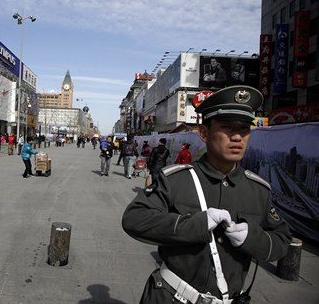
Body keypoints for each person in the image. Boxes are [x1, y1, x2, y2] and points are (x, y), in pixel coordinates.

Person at [122, 86, 291, 304]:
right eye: (227, 127)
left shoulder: (259, 190)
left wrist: (253, 238)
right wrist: (195, 225)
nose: (237, 136)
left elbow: (282, 240)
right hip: (171, 297)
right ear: (204, 133)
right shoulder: (175, 179)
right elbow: (134, 218)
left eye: (244, 128)